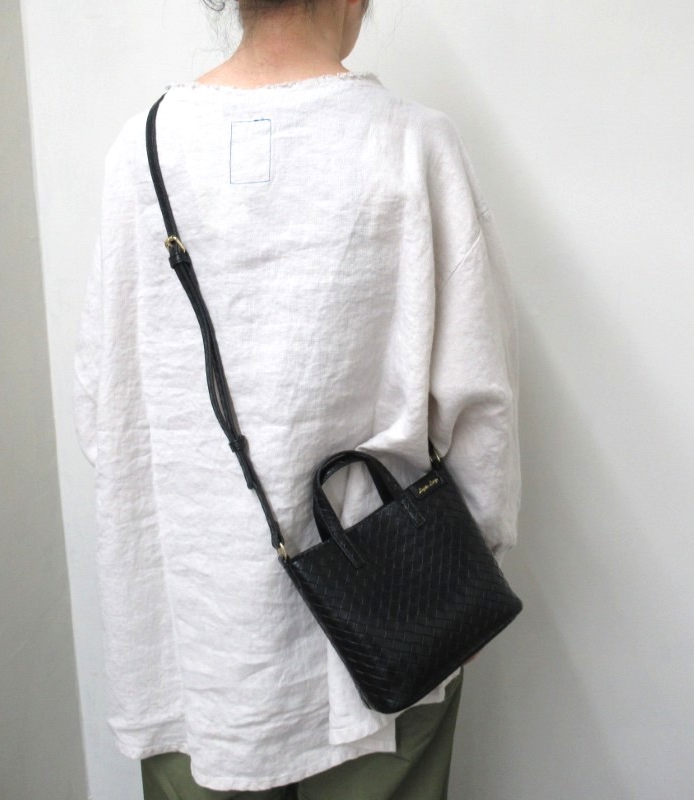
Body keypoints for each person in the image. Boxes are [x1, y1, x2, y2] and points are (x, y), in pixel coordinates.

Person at [73, 0, 521, 797]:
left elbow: (104, 404)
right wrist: (473, 570)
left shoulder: (140, 151)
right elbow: (477, 396)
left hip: (195, 643)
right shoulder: (412, 143)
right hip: (392, 619)